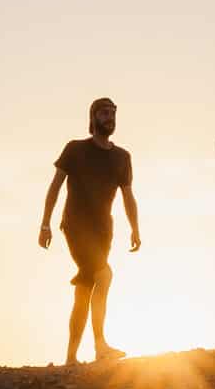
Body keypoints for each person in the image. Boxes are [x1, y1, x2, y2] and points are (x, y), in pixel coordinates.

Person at [39, 97, 141, 365]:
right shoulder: (75, 149)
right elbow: (55, 186)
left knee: (85, 289)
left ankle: (71, 357)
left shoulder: (122, 157)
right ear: (93, 118)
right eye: (104, 113)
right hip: (75, 226)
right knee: (105, 276)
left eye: (113, 113)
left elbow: (128, 196)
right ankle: (100, 346)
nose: (110, 117)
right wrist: (45, 222)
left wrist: (135, 228)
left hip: (104, 231)